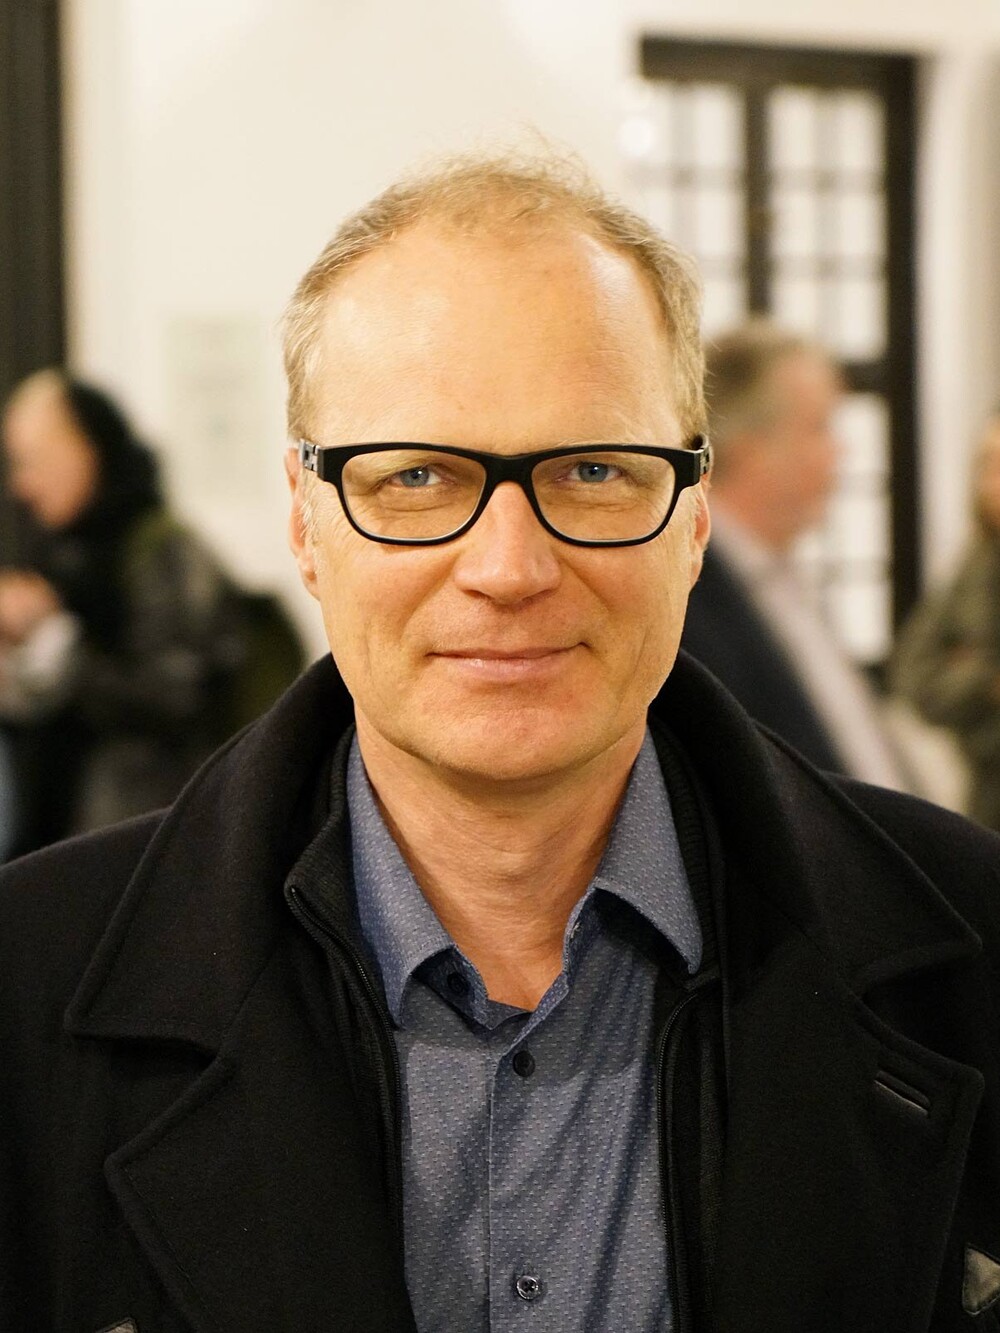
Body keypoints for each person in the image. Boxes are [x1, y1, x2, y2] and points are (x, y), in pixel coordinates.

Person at [2, 153, 1000, 1333]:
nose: (510, 568)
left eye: (592, 471)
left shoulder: (971, 947)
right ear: (305, 524)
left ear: (691, 520)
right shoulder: (27, 990)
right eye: (417, 476)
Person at [0, 371, 305, 855]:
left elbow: (174, 696)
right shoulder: (65, 555)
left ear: (86, 450)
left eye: (31, 462)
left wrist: (52, 642)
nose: (21, 485)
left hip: (150, 842)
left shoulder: (163, 553)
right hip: (75, 842)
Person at [680, 321, 917, 789]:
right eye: (820, 429)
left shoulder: (777, 575)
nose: (840, 453)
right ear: (750, 448)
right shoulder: (691, 595)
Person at [892, 411, 1000, 830]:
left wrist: (967, 666)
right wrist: (985, 681)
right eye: (987, 464)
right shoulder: (974, 567)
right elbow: (914, 675)